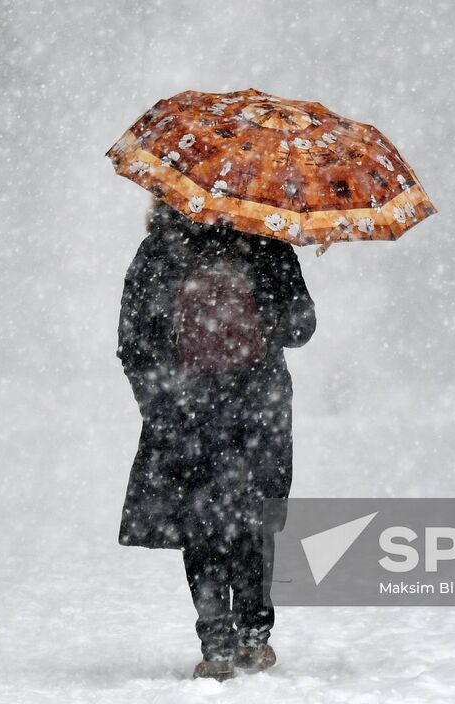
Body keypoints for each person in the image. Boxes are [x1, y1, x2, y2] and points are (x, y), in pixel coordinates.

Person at [117, 200, 316, 681]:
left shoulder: (160, 251)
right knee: (253, 517)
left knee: (201, 522)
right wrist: (266, 313)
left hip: (188, 412)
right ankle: (255, 634)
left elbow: (133, 344)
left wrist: (162, 406)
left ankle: (216, 641)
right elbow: (301, 328)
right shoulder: (268, 245)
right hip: (258, 406)